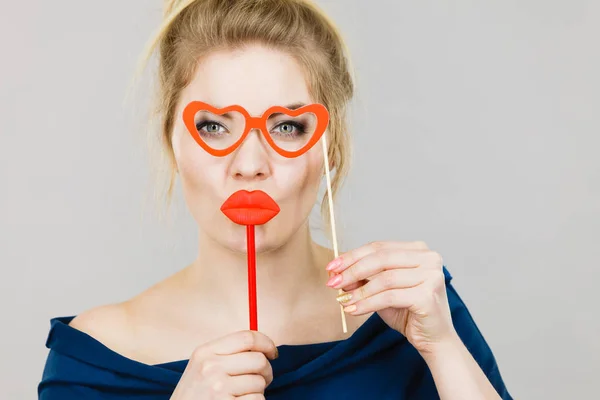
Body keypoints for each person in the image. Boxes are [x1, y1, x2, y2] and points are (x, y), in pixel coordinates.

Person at [38, 0, 512, 399]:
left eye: (287, 126)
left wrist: (443, 348)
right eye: (214, 126)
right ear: (171, 143)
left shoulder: (414, 312)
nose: (249, 164)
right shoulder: (92, 356)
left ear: (331, 146)